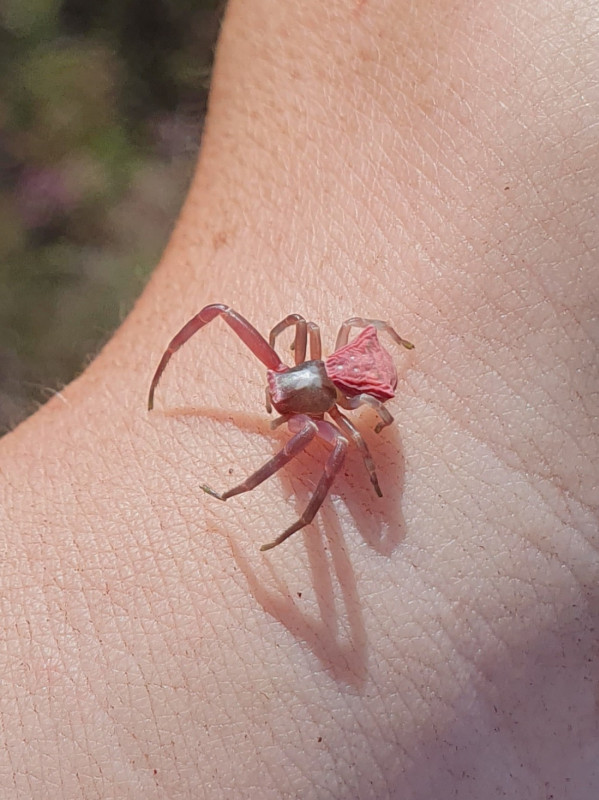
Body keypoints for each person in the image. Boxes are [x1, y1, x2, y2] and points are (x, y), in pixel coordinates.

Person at [0, 0, 596, 796]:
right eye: (281, 388)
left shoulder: (333, 421)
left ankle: (272, 516)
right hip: (339, 373)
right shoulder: (302, 377)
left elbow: (327, 424)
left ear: (296, 382)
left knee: (336, 449)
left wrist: (284, 484)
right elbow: (269, 325)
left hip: (351, 388)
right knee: (234, 320)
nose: (275, 404)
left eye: (282, 392)